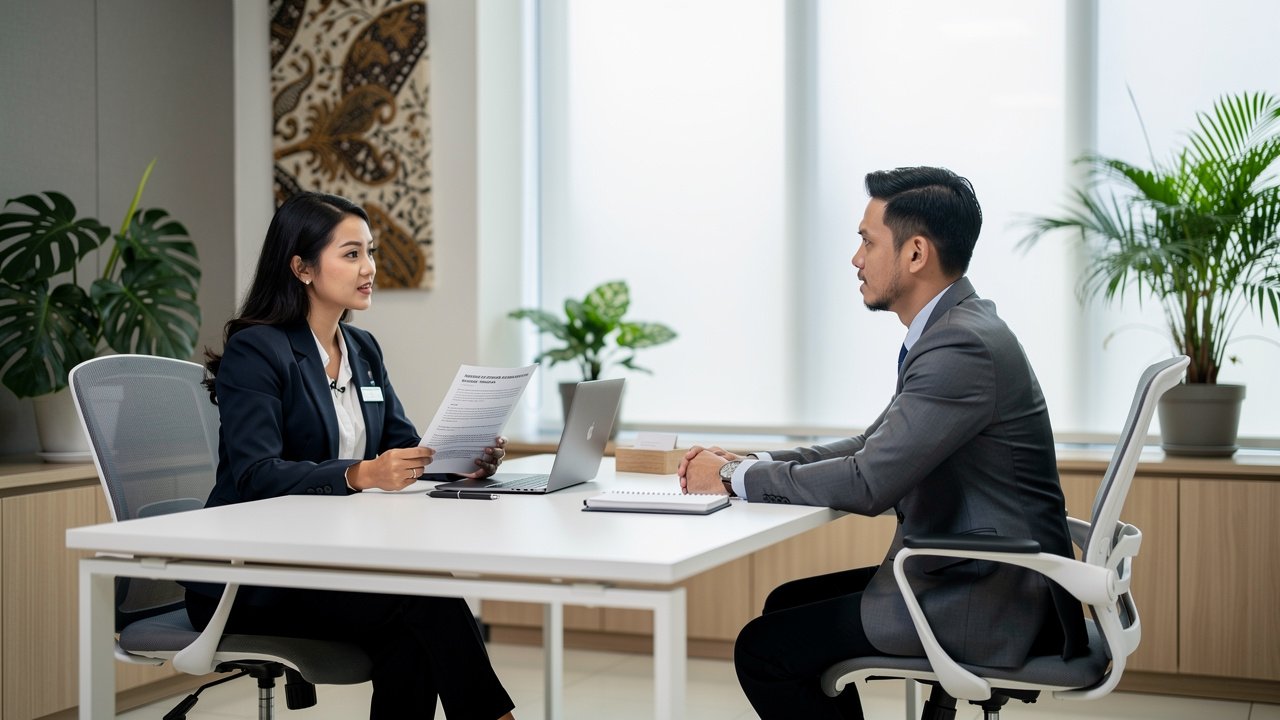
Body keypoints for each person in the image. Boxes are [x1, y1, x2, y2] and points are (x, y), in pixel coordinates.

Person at [677, 167, 1088, 719]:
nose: (856, 259)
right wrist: (755, 461)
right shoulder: (957, 329)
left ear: (916, 253)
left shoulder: (958, 346)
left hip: (985, 597)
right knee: (785, 608)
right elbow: (873, 445)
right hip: (983, 577)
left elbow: (869, 482)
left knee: (765, 650)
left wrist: (730, 480)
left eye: (867, 241)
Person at [196, 191, 516, 719]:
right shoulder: (259, 350)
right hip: (254, 578)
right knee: (425, 601)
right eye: (351, 254)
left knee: (414, 630)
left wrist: (461, 459)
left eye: (370, 251)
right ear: (301, 267)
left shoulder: (362, 349)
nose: (369, 268)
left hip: (328, 566)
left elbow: (402, 449)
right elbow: (255, 474)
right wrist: (359, 474)